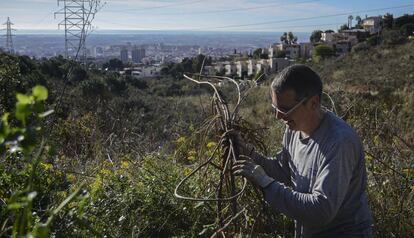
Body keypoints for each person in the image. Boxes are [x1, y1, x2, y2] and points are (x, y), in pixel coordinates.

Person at [232, 64, 373, 238]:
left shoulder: (339, 142)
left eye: (284, 109)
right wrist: (249, 154)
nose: (278, 116)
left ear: (313, 103)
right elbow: (285, 172)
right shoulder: (294, 128)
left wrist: (266, 184)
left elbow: (321, 210)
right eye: (275, 108)